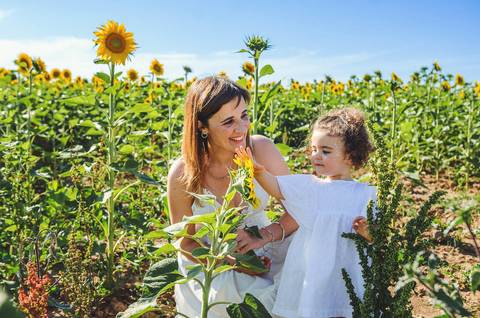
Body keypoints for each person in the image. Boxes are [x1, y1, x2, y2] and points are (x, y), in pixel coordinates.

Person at [167, 76, 296, 317]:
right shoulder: (183, 172)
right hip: (210, 263)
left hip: (264, 246)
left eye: (244, 116)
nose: (241, 128)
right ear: (201, 126)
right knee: (235, 299)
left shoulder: (261, 149)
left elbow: (299, 210)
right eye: (228, 121)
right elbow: (184, 242)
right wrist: (234, 262)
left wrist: (265, 237)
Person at [236, 107, 375, 318]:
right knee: (312, 308)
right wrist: (258, 170)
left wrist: (367, 232)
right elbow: (277, 188)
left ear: (350, 155)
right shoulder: (311, 187)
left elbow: (378, 237)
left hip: (348, 273)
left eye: (325, 151)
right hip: (312, 274)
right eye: (313, 149)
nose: (316, 156)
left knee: (345, 307)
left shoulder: (366, 194)